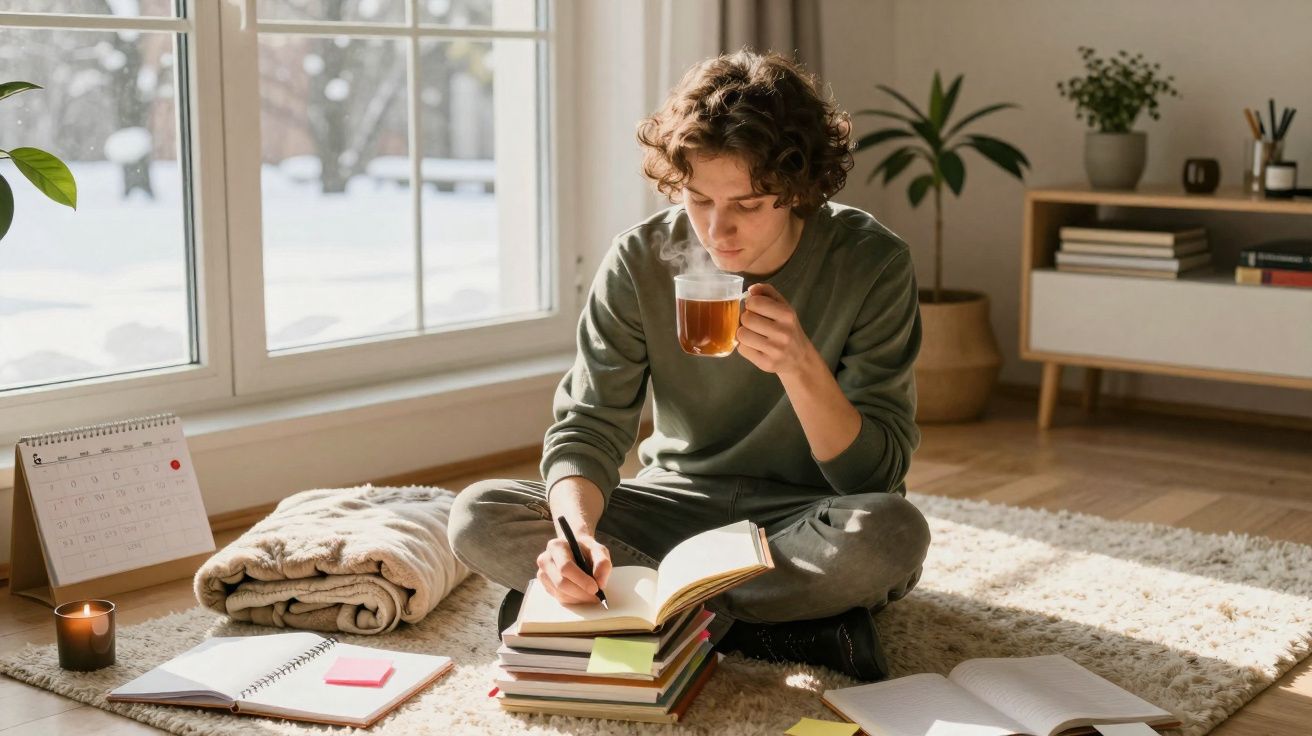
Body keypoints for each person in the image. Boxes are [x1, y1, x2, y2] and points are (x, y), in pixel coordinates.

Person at [448, 49, 930, 681]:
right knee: (479, 512)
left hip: (803, 518)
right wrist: (577, 538)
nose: (716, 231)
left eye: (748, 205)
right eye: (698, 199)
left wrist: (800, 367)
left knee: (891, 533)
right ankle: (776, 631)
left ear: (799, 191)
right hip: (673, 507)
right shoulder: (639, 259)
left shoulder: (871, 262)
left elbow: (873, 476)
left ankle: (635, 612)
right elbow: (589, 428)